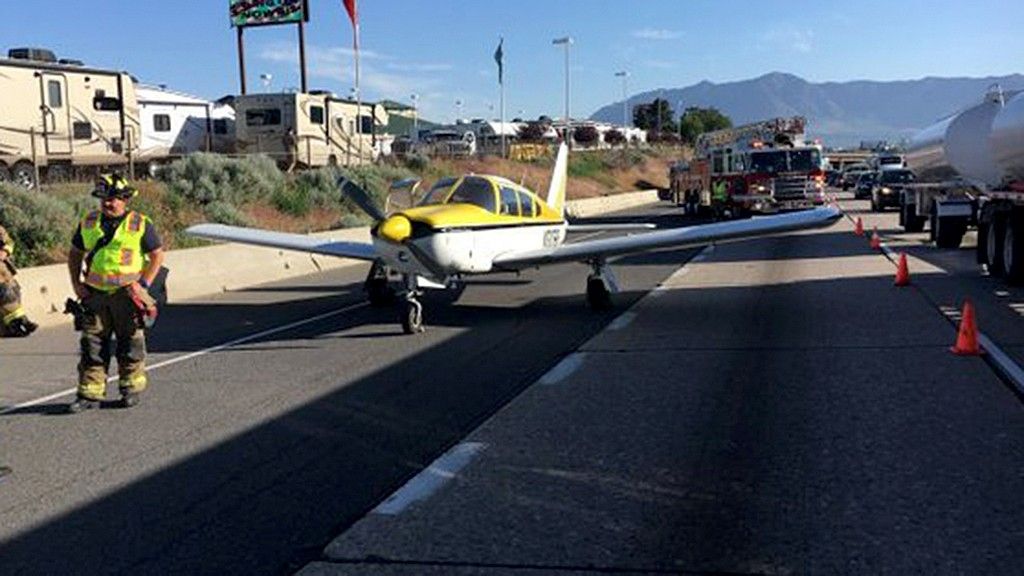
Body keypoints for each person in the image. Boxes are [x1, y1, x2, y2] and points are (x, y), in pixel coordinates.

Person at [67, 174, 164, 413]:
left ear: (125, 199)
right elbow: (74, 254)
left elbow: (157, 255)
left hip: (127, 296)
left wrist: (143, 285)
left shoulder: (140, 223)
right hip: (94, 296)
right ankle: (89, 394)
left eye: (112, 199)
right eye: (103, 199)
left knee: (129, 344)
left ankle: (129, 390)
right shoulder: (89, 222)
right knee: (92, 345)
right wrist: (77, 285)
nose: (107, 204)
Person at [0, 224, 38, 337]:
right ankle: (20, 321)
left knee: (14, 291)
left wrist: (5, 251)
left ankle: (15, 324)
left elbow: (9, 242)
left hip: (4, 271)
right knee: (5, 294)